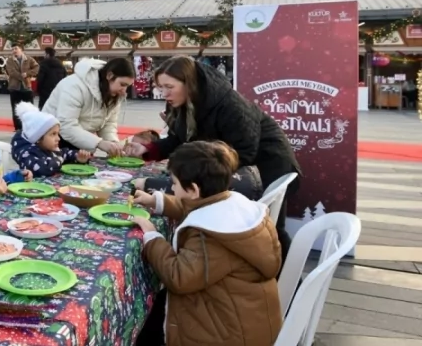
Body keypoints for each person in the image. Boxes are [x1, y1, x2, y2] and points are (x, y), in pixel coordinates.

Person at [123, 55, 300, 257]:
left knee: (271, 228)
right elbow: (179, 139)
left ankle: (286, 273)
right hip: (234, 164)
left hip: (267, 166)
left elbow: (244, 152)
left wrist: (199, 173)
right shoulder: (182, 103)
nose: (164, 93)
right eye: (161, 87)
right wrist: (148, 148)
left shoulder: (230, 104)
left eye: (169, 87)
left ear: (189, 84)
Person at [130, 141, 282, 346]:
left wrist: (152, 237)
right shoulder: (229, 204)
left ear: (193, 189)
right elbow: (196, 206)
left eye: (174, 183)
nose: (172, 188)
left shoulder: (212, 236)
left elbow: (178, 277)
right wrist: (157, 201)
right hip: (246, 318)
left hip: (226, 335)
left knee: (146, 326)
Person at [41, 58, 135, 156]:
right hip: (54, 139)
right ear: (109, 75)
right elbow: (66, 125)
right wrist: (99, 143)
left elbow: (108, 123)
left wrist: (113, 144)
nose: (124, 90)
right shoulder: (74, 86)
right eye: (122, 84)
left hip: (82, 141)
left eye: (127, 86)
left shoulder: (114, 94)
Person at [10, 101, 91, 177]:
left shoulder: (46, 147)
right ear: (38, 137)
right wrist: (59, 159)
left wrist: (77, 157)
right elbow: (41, 169)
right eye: (53, 134)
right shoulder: (27, 153)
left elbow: (63, 153)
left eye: (58, 134)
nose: (58, 138)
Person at [4, 43, 40, 131]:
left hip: (27, 87)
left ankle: (30, 125)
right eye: (12, 49)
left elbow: (37, 68)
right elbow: (11, 72)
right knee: (15, 109)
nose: (14, 51)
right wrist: (22, 76)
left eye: (16, 48)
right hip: (14, 88)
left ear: (21, 49)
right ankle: (18, 127)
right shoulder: (10, 61)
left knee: (30, 108)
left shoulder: (29, 59)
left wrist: (27, 74)